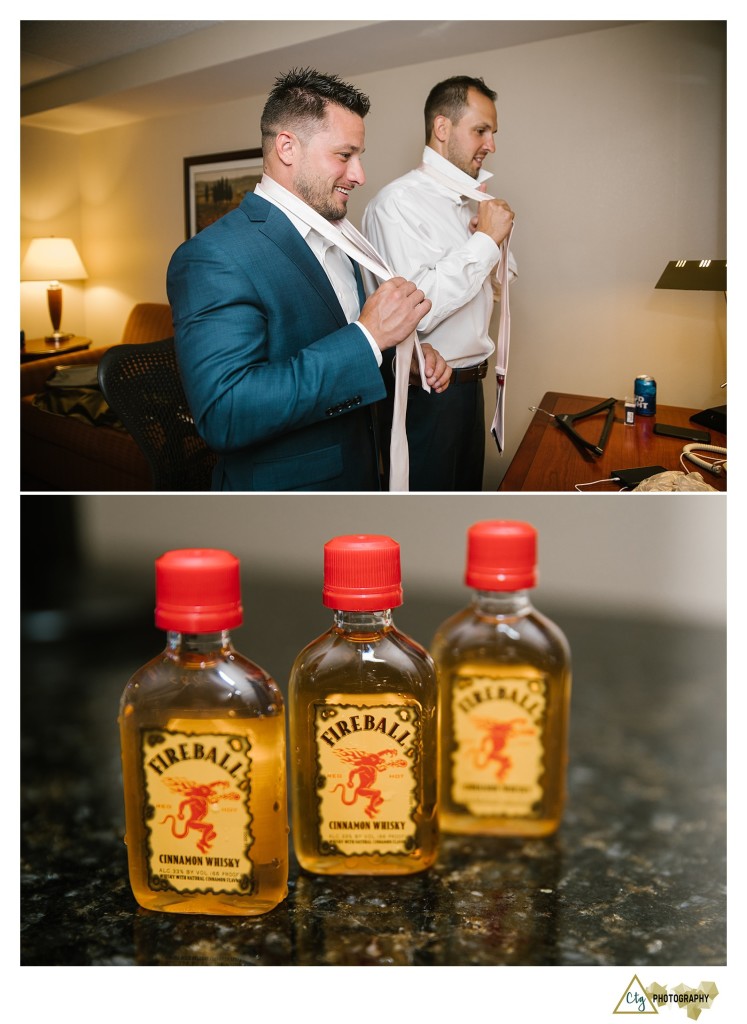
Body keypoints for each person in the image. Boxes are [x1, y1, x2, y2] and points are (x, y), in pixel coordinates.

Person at [167, 68, 450, 491]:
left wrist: (396, 360)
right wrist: (369, 339)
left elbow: (337, 342)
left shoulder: (339, 238)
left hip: (361, 477)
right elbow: (225, 412)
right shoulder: (214, 256)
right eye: (344, 155)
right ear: (287, 148)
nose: (360, 175)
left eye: (360, 155)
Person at [362, 75, 516, 491]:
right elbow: (416, 309)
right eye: (481, 131)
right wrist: (484, 242)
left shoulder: (472, 205)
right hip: (427, 394)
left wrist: (488, 245)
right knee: (424, 525)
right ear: (442, 128)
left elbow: (491, 296)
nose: (491, 144)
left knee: (465, 517)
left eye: (493, 133)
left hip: (471, 391)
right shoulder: (395, 205)